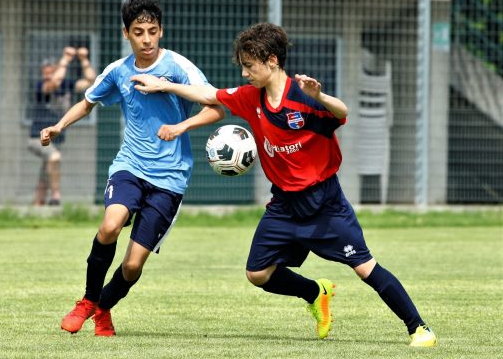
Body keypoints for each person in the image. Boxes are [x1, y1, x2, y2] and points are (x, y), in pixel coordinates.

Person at [131, 22, 437, 347]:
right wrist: (162, 85)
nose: (245, 73)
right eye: (244, 66)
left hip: (324, 204)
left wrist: (319, 96)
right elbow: (209, 94)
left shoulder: (303, 98)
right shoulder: (251, 98)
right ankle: (315, 292)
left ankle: (419, 328)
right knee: (257, 273)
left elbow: (343, 112)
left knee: (364, 267)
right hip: (284, 206)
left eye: (250, 66)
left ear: (272, 60)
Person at [40, 0, 225, 336]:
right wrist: (59, 126)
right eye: (139, 32)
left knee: (133, 264)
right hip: (130, 166)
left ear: (161, 31)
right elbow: (87, 102)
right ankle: (87, 300)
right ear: (126, 34)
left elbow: (216, 107)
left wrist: (179, 126)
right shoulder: (118, 71)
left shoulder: (178, 67)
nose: (147, 39)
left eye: (152, 31)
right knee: (110, 225)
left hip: (170, 178)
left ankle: (104, 307)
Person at [28, 46, 96, 206]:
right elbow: (54, 83)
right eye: (45, 73)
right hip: (37, 138)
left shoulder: (67, 85)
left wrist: (83, 60)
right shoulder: (42, 87)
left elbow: (92, 82)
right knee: (54, 157)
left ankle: (38, 205)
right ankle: (56, 197)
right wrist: (65, 59)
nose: (48, 76)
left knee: (46, 171)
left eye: (50, 72)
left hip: (55, 140)